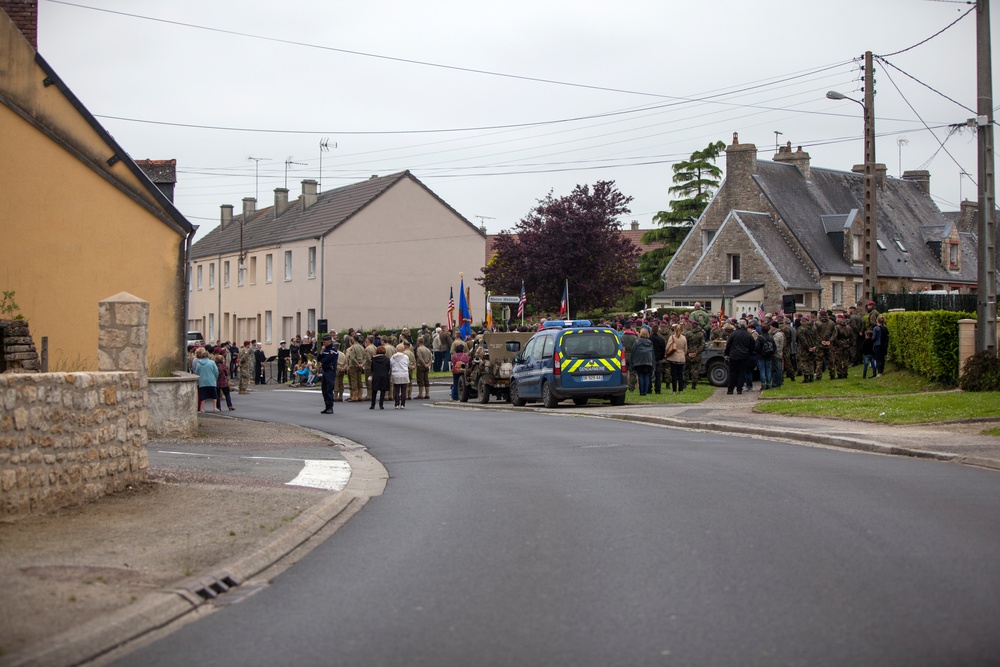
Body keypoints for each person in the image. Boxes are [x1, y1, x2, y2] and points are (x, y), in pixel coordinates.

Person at [723, 319, 754, 395]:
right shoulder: (748, 335)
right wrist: (748, 353)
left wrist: (726, 354)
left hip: (733, 355)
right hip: (744, 356)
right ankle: (739, 389)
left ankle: (730, 389)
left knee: (732, 373)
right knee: (741, 373)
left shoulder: (733, 334)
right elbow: (752, 346)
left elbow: (728, 345)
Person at [192, 347, 219, 412]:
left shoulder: (199, 363)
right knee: (214, 395)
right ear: (208, 356)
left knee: (202, 395)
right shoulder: (212, 362)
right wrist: (215, 378)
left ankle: (202, 408)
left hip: (202, 381)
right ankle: (215, 407)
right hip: (211, 381)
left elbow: (196, 372)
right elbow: (216, 372)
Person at [630, 328, 655, 396]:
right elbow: (652, 353)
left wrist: (632, 362)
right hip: (648, 361)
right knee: (646, 375)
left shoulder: (637, 342)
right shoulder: (650, 342)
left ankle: (641, 392)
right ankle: (645, 391)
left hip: (639, 361)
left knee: (640, 375)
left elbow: (633, 351)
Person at [665, 323, 689, 393]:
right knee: (680, 374)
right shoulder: (684, 338)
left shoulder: (672, 337)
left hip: (673, 357)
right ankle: (681, 389)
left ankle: (674, 390)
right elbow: (686, 349)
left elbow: (668, 347)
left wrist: (667, 352)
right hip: (681, 357)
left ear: (674, 329)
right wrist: (683, 354)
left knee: (674, 374)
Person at [318, 335, 338, 414]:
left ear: (329, 341)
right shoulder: (324, 349)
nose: (323, 343)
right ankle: (326, 405)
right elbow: (319, 359)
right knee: (324, 390)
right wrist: (321, 352)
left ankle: (330, 406)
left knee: (329, 389)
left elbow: (327, 359)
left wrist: (322, 360)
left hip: (330, 371)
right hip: (324, 371)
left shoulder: (333, 350)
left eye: (325, 342)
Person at [683, 321, 704, 390]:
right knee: (695, 370)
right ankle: (694, 385)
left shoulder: (687, 334)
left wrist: (688, 352)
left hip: (688, 354)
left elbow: (685, 344)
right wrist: (696, 352)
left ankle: (685, 383)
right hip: (697, 355)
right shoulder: (700, 335)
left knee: (686, 370)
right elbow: (702, 345)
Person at [346, 335, 366, 401]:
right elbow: (365, 357)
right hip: (360, 365)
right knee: (359, 380)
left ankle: (354, 396)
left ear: (353, 339)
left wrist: (357, 364)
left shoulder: (353, 347)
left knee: (354, 380)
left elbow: (352, 357)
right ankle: (360, 395)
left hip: (353, 366)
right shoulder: (362, 347)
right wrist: (362, 364)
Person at [390, 343, 410, 409]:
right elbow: (407, 364)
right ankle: (403, 404)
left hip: (396, 374)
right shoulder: (406, 357)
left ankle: (396, 404)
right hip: (404, 373)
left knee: (396, 389)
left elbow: (391, 365)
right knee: (403, 389)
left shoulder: (393, 357)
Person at [755, 325, 774, 389]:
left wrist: (760, 352)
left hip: (760, 356)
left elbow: (756, 347)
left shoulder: (760, 338)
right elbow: (774, 347)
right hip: (768, 356)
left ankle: (763, 384)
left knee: (762, 370)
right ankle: (769, 384)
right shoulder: (771, 337)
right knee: (768, 370)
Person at [650, 324, 666, 394]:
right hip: (658, 358)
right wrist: (661, 357)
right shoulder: (661, 339)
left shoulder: (649, 339)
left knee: (649, 374)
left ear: (652, 331)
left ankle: (649, 388)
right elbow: (663, 350)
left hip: (650, 358)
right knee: (658, 375)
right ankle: (658, 389)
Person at [769, 321, 785, 388]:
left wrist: (772, 351)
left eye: (771, 327)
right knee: (778, 369)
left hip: (776, 354)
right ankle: (778, 382)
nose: (770, 328)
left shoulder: (777, 335)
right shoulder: (779, 334)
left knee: (776, 370)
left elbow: (775, 346)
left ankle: (776, 383)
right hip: (779, 353)